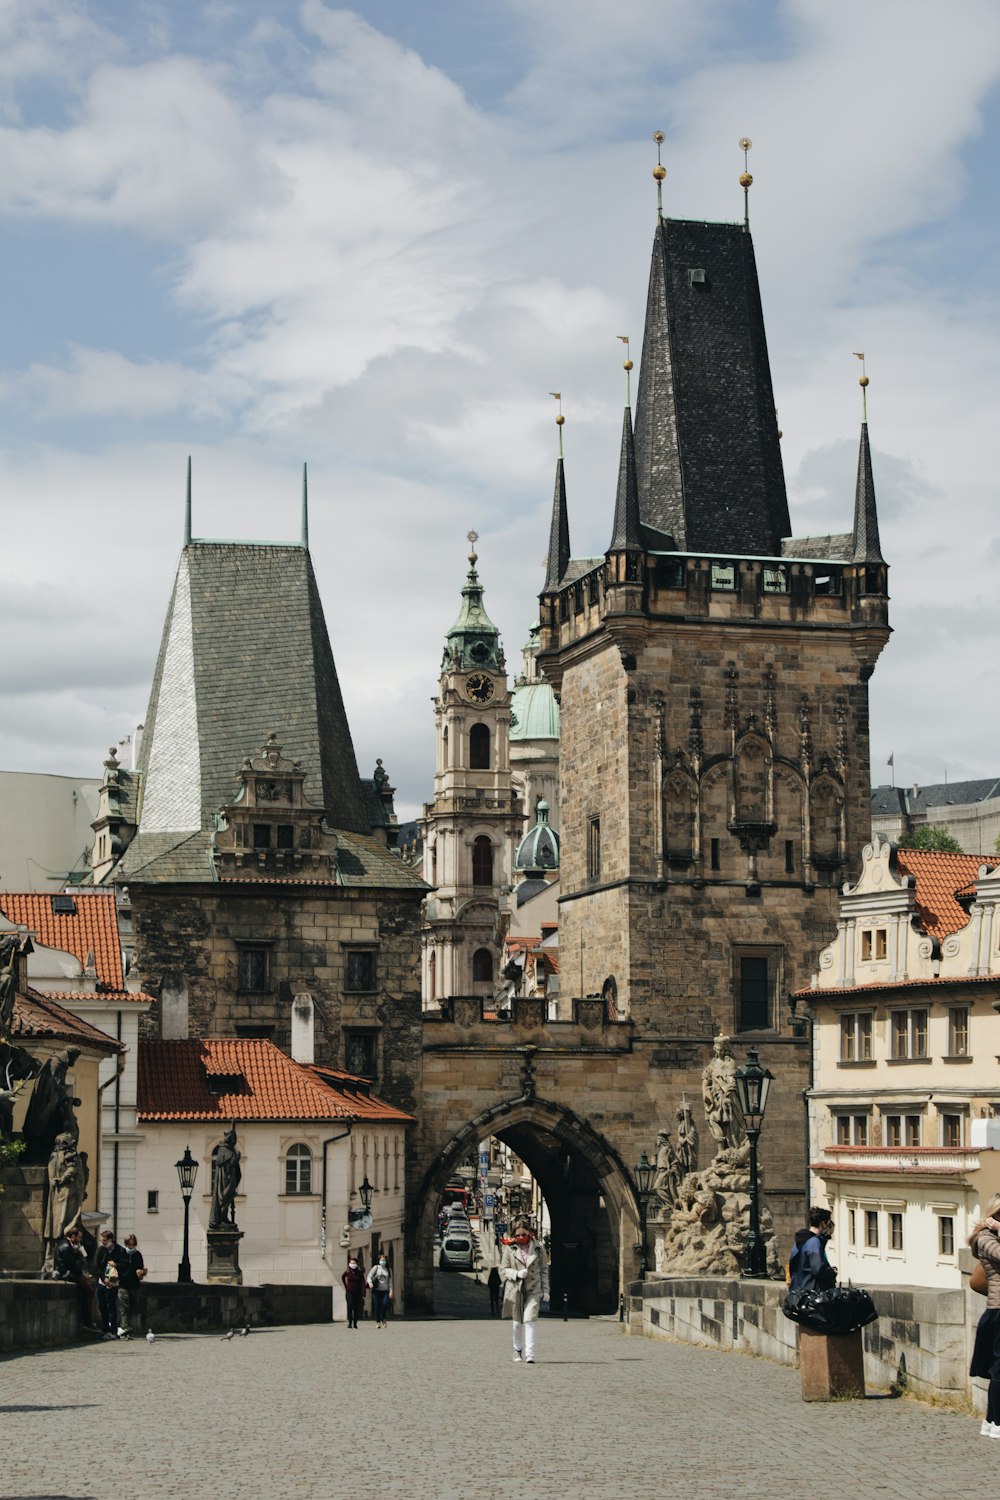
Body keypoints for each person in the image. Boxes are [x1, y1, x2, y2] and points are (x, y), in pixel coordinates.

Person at [499, 1215, 549, 1364]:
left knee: (530, 1319)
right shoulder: (509, 1247)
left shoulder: (539, 1248)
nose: (521, 1237)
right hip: (516, 1289)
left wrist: (546, 1290)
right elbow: (503, 1269)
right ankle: (517, 1349)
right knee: (517, 1323)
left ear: (529, 1233)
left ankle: (530, 1353)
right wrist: (516, 1274)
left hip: (533, 1288)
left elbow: (544, 1270)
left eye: (524, 1234)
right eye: (517, 1235)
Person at [969, 1193, 1000, 1438]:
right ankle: (995, 1422)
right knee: (999, 1369)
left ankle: (991, 1420)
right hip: (998, 1310)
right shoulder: (986, 1239)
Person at [788, 1206, 837, 1292]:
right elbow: (818, 1269)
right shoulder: (814, 1242)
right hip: (811, 1294)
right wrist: (832, 1273)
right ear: (823, 1223)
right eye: (828, 1223)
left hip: (797, 1291)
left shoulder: (799, 1241)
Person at [53, 1224, 92, 1325]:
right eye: (79, 1237)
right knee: (88, 1290)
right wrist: (83, 1275)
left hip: (69, 1273)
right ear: (73, 1236)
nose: (80, 1240)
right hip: (67, 1274)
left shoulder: (69, 1245)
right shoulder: (65, 1246)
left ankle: (86, 1319)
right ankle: (86, 1320)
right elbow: (71, 1264)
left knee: (88, 1288)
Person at [94, 1228, 128, 1341]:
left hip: (113, 1284)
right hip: (102, 1283)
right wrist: (104, 1279)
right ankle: (105, 1329)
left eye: (104, 1240)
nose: (102, 1242)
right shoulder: (101, 1250)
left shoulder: (120, 1251)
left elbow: (126, 1266)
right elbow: (96, 1266)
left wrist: (116, 1264)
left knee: (111, 1307)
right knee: (102, 1306)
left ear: (110, 1240)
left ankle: (113, 1330)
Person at [117, 1233, 145, 1339]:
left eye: (132, 1244)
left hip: (134, 1285)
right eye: (129, 1244)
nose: (131, 1247)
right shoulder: (121, 1253)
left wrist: (141, 1272)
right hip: (123, 1284)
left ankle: (123, 1327)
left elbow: (140, 1268)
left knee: (131, 1307)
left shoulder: (137, 1255)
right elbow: (117, 1266)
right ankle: (127, 1329)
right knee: (124, 1306)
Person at [366, 1253, 393, 1328]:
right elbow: (369, 1276)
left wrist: (391, 1291)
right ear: (378, 1261)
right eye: (381, 1260)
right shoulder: (376, 1267)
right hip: (376, 1290)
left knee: (384, 1304)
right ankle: (378, 1321)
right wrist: (370, 1283)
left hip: (385, 1290)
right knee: (377, 1306)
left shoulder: (388, 1269)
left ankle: (383, 1318)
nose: (382, 1262)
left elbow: (390, 1281)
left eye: (384, 1260)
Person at [342, 1256, 366, 1329]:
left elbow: (362, 1282)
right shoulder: (348, 1271)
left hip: (357, 1292)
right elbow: (343, 1277)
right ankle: (350, 1323)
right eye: (351, 1263)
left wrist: (363, 1292)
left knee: (356, 1308)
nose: (352, 1264)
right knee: (350, 1306)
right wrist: (346, 1286)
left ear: (356, 1264)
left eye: (354, 1263)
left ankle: (355, 1323)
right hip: (349, 1292)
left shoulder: (359, 1272)